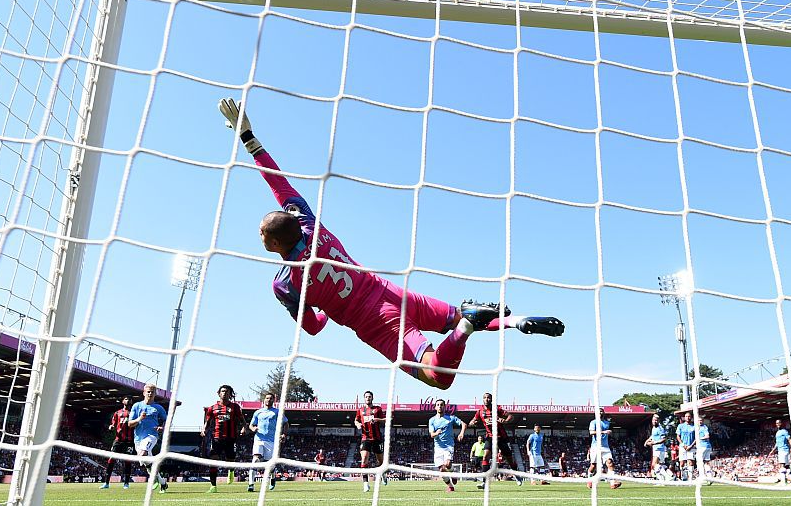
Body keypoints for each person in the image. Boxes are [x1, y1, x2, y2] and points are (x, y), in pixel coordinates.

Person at [217, 98, 565, 389]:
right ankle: (514, 320)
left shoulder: (285, 283)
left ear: (275, 242)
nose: (259, 234)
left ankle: (468, 326)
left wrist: (322, 309)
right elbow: (277, 181)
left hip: (376, 321)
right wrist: (248, 136)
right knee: (454, 318)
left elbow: (311, 328)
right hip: (391, 292)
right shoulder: (309, 223)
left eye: (262, 233)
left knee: (437, 376)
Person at [467, 392, 523, 488]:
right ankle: (485, 482)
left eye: (488, 398)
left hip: (502, 437)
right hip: (490, 437)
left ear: (491, 399)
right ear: (483, 399)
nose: (486, 399)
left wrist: (504, 420)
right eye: (484, 397)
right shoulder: (480, 411)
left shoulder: (497, 409)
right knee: (485, 457)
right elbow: (471, 422)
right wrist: (473, 423)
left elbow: (511, 416)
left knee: (509, 459)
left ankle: (516, 474)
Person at [201, 385, 247, 493]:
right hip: (216, 438)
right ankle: (213, 486)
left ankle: (231, 470)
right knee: (213, 460)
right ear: (218, 393)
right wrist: (204, 429)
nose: (224, 393)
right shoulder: (212, 408)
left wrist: (244, 428)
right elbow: (207, 422)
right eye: (222, 391)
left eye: (227, 392)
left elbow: (242, 420)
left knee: (230, 459)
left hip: (231, 438)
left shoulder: (235, 407)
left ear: (230, 394)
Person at [128, 383, 169, 494]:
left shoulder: (158, 408)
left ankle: (153, 479)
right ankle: (163, 482)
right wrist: (139, 419)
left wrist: (162, 427)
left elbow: (167, 421)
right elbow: (130, 424)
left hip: (152, 436)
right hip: (138, 439)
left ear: (155, 393)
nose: (150, 393)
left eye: (152, 391)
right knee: (147, 462)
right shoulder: (136, 406)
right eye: (148, 391)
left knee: (143, 453)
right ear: (144, 393)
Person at [248, 393, 289, 492]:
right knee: (255, 460)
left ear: (274, 400)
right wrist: (253, 428)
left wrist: (284, 434)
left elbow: (286, 423)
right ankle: (251, 484)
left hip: (271, 441)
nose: (268, 400)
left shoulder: (277, 412)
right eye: (267, 398)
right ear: (264, 400)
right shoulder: (258, 412)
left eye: (271, 398)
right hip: (259, 439)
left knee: (269, 464)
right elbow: (251, 425)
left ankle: (273, 477)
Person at [428, 398, 465, 492]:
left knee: (448, 464)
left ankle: (453, 473)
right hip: (438, 447)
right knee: (441, 470)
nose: (440, 406)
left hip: (449, 446)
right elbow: (432, 434)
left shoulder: (451, 418)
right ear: (435, 407)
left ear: (445, 406)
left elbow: (464, 424)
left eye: (442, 405)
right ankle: (450, 486)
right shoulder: (432, 420)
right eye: (438, 405)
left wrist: (461, 433)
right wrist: (437, 433)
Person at [355, 390, 388, 492]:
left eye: (369, 397)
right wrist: (358, 424)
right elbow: (356, 420)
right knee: (364, 459)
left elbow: (386, 419)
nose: (368, 398)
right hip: (365, 438)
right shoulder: (360, 410)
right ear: (364, 398)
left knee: (380, 461)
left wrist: (377, 420)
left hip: (377, 438)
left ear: (372, 398)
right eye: (366, 397)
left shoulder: (377, 409)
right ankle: (366, 484)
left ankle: (383, 473)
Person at [101, 395, 134, 489]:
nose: (128, 400)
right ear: (122, 401)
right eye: (126, 399)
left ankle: (126, 483)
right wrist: (111, 427)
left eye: (130, 399)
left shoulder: (134, 413)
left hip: (129, 441)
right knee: (111, 459)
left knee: (128, 461)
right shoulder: (117, 413)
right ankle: (106, 483)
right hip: (118, 440)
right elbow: (113, 424)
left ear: (132, 402)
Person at [587, 408, 621, 489]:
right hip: (596, 446)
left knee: (610, 463)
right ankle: (589, 480)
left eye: (601, 411)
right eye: (599, 412)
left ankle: (612, 483)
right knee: (593, 465)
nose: (600, 413)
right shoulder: (593, 422)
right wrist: (604, 432)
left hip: (605, 446)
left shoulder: (607, 423)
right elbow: (591, 432)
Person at [768, 418, 791, 484]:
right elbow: (777, 443)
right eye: (776, 423)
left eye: (779, 423)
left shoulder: (784, 431)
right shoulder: (777, 433)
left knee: (782, 465)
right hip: (782, 450)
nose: (777, 424)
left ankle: (783, 482)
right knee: (787, 466)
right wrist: (772, 450)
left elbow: (789, 439)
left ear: (781, 423)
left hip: (783, 450)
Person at [643, 413, 669, 481]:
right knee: (657, 465)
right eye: (653, 420)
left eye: (656, 420)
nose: (654, 421)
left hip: (659, 448)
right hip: (656, 448)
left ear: (658, 421)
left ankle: (667, 477)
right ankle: (663, 480)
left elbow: (663, 439)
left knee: (654, 465)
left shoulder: (660, 428)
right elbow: (652, 436)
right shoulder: (654, 428)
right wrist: (647, 441)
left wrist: (654, 443)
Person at [676, 412, 696, 482]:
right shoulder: (680, 426)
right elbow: (678, 436)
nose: (688, 418)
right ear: (684, 417)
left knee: (690, 462)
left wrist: (691, 446)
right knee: (682, 462)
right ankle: (683, 477)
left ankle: (690, 478)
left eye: (689, 416)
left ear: (691, 417)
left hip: (691, 447)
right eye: (686, 416)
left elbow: (696, 438)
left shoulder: (694, 427)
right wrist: (682, 444)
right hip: (682, 446)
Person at [696, 417, 713, 482]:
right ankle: (710, 477)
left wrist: (700, 438)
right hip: (707, 447)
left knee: (699, 461)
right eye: (699, 421)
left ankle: (702, 477)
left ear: (702, 421)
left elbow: (707, 436)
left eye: (701, 420)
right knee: (706, 462)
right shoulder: (700, 427)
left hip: (703, 446)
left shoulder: (703, 427)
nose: (700, 422)